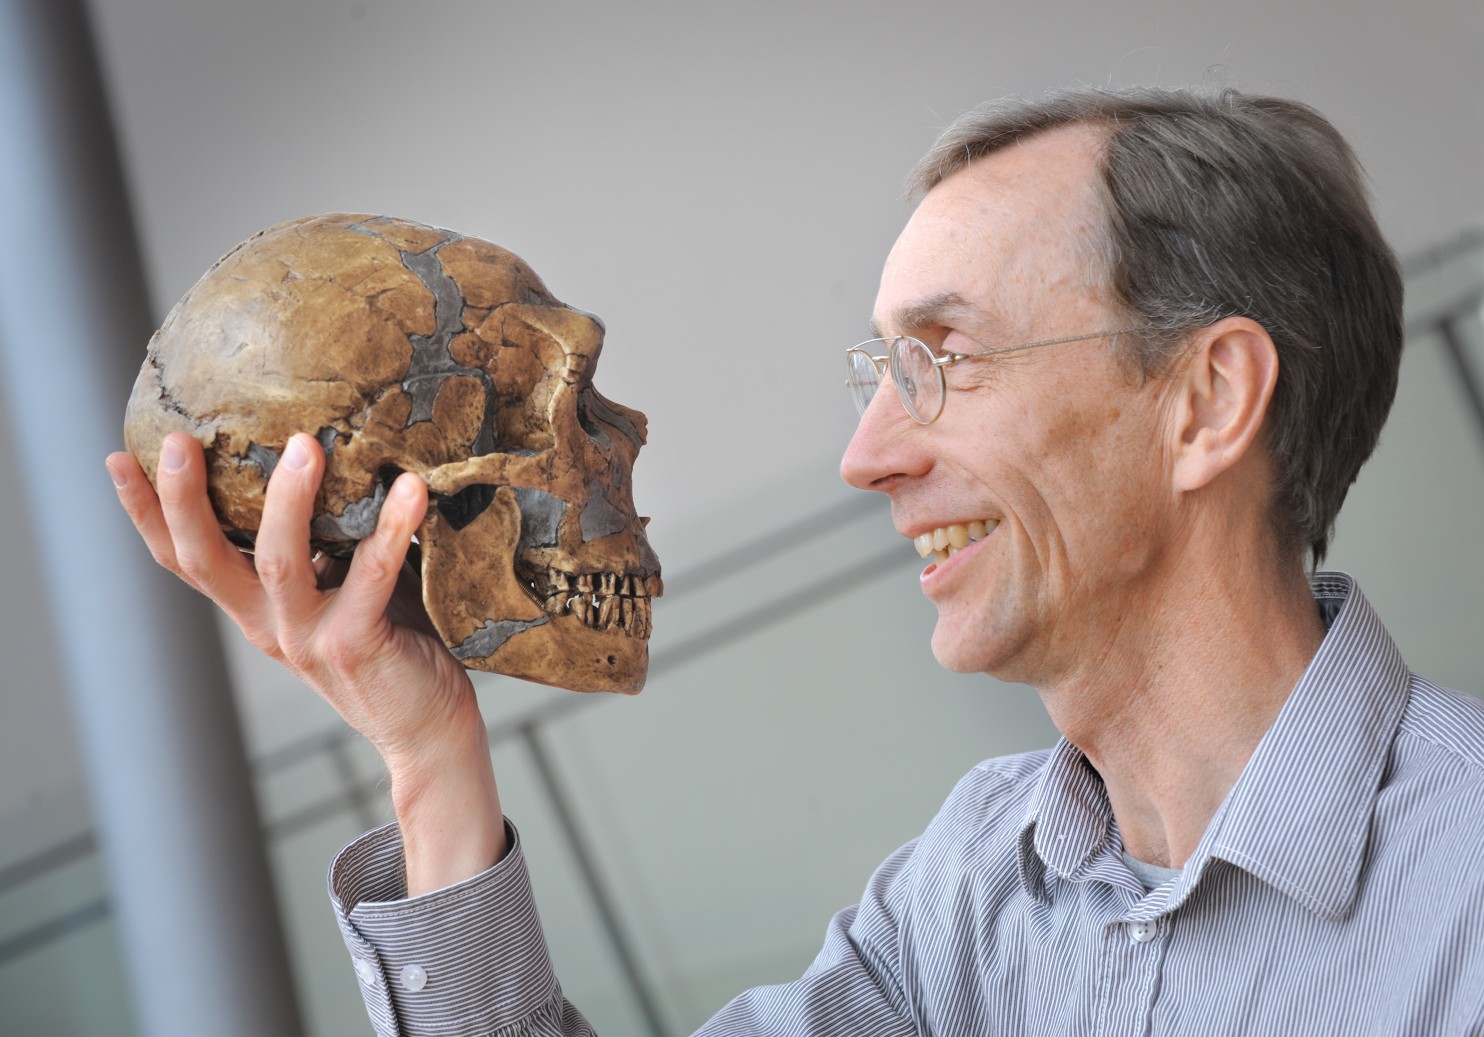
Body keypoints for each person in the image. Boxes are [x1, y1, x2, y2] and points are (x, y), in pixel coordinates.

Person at [107, 86, 1484, 1034]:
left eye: (940, 361)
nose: (868, 453)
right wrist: (429, 759)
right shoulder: (965, 899)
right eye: (879, 371)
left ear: (1206, 403)